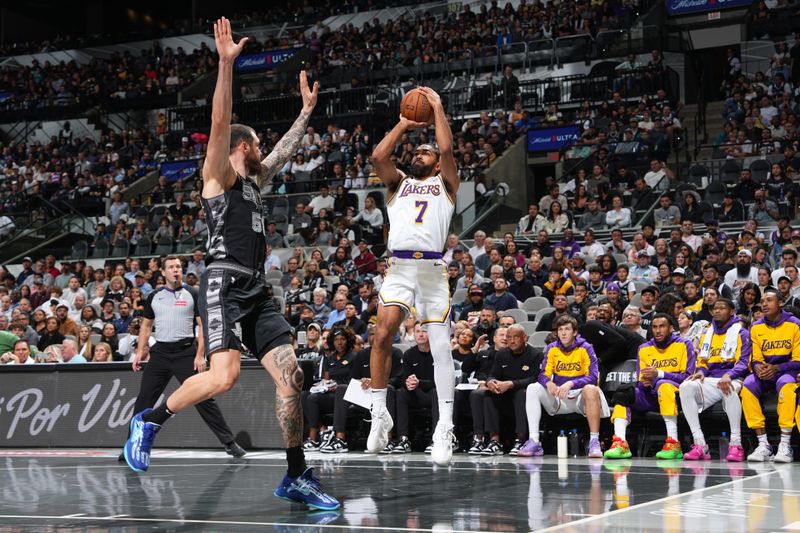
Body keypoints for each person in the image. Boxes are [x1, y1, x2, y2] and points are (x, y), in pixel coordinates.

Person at [123, 19, 338, 511]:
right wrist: (224, 65)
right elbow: (220, 123)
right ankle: (149, 421)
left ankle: (296, 474)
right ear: (243, 147)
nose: (264, 149)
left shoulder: (257, 184)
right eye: (257, 143)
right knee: (223, 378)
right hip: (222, 281)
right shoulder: (218, 176)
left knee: (291, 377)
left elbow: (284, 150)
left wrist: (306, 112)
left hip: (257, 289)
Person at [366, 86, 460, 466]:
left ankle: (445, 428)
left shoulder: (446, 184)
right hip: (400, 268)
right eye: (417, 152)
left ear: (436, 164)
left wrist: (436, 107)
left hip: (433, 270)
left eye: (426, 152)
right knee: (382, 334)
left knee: (440, 348)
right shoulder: (397, 184)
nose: (419, 154)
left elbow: (449, 150)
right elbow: (377, 156)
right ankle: (378, 412)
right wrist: (404, 124)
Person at [120, 256, 244, 461]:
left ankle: (229, 443)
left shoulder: (193, 293)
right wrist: (141, 350)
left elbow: (203, 326)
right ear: (163, 272)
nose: (176, 270)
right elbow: (146, 326)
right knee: (144, 400)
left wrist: (200, 354)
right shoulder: (154, 296)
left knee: (204, 398)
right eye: (171, 267)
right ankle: (130, 447)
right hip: (159, 353)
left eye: (178, 267)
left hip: (186, 352)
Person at [604, 314, 695, 459]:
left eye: (662, 326)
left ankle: (674, 443)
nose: (658, 331)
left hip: (677, 397)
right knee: (624, 393)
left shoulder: (684, 344)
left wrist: (658, 374)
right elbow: (641, 382)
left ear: (671, 328)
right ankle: (620, 443)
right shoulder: (644, 348)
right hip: (651, 396)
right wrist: (645, 383)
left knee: (663, 385)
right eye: (655, 327)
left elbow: (687, 378)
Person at [519, 316, 609, 457]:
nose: (563, 333)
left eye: (567, 329)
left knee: (591, 388)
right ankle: (534, 441)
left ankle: (594, 441)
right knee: (533, 387)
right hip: (559, 398)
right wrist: (548, 382)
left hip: (581, 398)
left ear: (575, 332)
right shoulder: (552, 348)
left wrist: (572, 383)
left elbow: (593, 377)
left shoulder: (586, 348)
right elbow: (543, 374)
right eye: (560, 330)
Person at [679, 298, 750, 462]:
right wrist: (701, 371)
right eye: (714, 308)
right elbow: (703, 361)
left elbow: (744, 362)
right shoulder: (707, 333)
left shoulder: (741, 332)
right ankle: (700, 443)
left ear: (732, 311)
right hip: (711, 379)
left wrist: (729, 375)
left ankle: (736, 443)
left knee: (729, 386)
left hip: (734, 377)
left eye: (722, 308)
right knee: (686, 386)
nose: (717, 311)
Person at [742, 289, 800, 462]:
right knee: (748, 386)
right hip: (766, 370)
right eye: (762, 301)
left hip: (788, 371)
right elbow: (755, 358)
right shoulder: (756, 326)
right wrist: (759, 367)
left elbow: (798, 360)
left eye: (769, 300)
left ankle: (785, 444)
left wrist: (777, 368)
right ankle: (763, 444)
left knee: (787, 386)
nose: (764, 304)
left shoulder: (795, 324)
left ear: (780, 303)